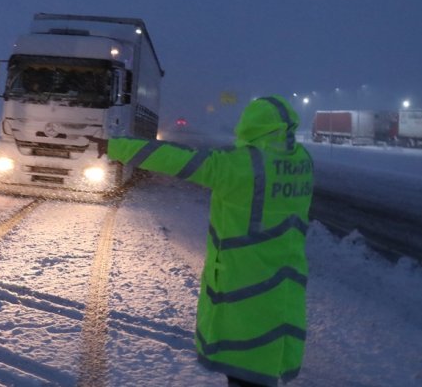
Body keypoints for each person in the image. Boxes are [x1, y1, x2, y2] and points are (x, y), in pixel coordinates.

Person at [87, 96, 313, 387]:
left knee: (245, 364)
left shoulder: (242, 166)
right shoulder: (303, 162)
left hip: (246, 290)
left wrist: (116, 146)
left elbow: (177, 158)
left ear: (252, 127)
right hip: (286, 288)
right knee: (269, 359)